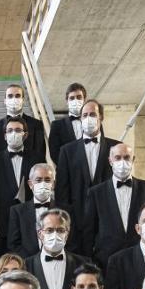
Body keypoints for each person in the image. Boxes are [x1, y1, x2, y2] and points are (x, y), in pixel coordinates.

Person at [84, 143, 145, 265]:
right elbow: (88, 233)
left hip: (141, 260)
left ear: (133, 159)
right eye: (118, 158)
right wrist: (90, 265)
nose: (122, 162)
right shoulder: (96, 193)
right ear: (110, 161)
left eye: (127, 157)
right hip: (105, 262)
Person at [55, 99, 120, 241]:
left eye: (92, 114)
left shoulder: (115, 147)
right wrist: (68, 220)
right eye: (84, 115)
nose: (88, 118)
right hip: (77, 221)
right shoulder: (67, 151)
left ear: (101, 117)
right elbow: (62, 190)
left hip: (107, 220)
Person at [0, 118, 40, 259]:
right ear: (4, 135)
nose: (13, 133)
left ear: (25, 135)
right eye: (10, 131)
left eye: (17, 130)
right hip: (2, 220)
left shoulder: (36, 158)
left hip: (28, 219)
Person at [7, 163, 70, 258]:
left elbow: (71, 240)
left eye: (47, 180)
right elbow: (13, 244)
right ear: (30, 184)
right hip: (27, 264)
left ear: (53, 184)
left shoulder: (65, 210)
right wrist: (31, 261)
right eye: (38, 180)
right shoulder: (17, 211)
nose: (43, 183)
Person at [25, 208, 90, 289]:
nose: (55, 235)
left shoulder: (84, 264)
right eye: (49, 230)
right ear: (40, 234)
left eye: (60, 230)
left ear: (67, 234)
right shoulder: (26, 265)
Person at [0, 83, 46, 164]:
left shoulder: (36, 124)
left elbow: (40, 154)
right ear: (5, 101)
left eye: (17, 96)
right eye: (10, 96)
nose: (14, 99)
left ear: (23, 100)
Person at [47, 81, 88, 163]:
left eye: (79, 97)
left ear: (85, 99)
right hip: (67, 172)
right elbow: (54, 153)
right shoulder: (56, 125)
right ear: (67, 101)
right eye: (72, 98)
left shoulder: (94, 122)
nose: (75, 100)